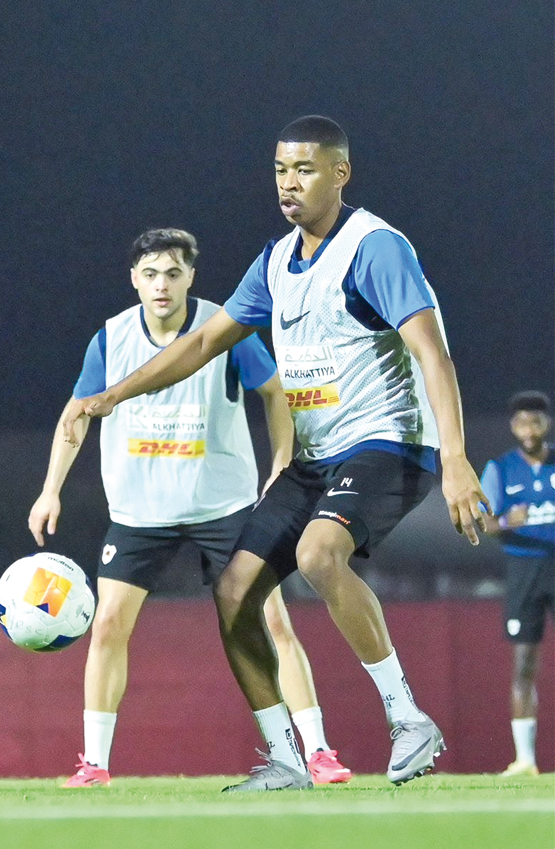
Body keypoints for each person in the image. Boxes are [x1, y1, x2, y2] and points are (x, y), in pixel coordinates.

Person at [63, 115, 489, 790]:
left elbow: (430, 351)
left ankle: (406, 716)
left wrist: (456, 457)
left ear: (339, 173)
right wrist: (114, 393)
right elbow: (204, 341)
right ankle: (285, 758)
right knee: (233, 589)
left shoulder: (373, 248)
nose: (288, 184)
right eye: (279, 170)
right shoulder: (274, 260)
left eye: (305, 170)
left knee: (320, 554)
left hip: (386, 442)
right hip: (316, 458)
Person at [30, 228, 352, 787]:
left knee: (271, 619)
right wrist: (50, 487)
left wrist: (281, 462)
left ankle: (318, 752)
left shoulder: (221, 327)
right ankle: (96, 764)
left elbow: (274, 392)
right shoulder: (110, 339)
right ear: (134, 279)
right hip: (138, 512)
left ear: (190, 278)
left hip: (222, 506)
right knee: (106, 625)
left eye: (173, 273)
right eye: (150, 274)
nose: (161, 285)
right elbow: (76, 414)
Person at [480, 390, 554, 776]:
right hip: (524, 570)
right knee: (524, 663)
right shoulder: (500, 468)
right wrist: (509, 521)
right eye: (523, 422)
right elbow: (482, 522)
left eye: (536, 421)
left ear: (548, 423)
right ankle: (525, 759)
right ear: (513, 426)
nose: (529, 429)